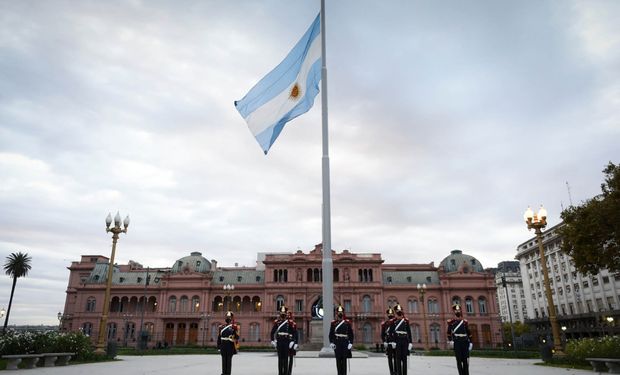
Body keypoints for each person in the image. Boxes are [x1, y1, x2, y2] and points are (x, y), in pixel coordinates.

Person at [270, 306, 299, 375]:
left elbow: (295, 333)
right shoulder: (277, 322)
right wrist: (272, 340)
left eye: (284, 314)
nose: (283, 315)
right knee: (280, 358)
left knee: (286, 358)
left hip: (287, 341)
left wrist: (293, 342)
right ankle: (280, 373)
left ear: (286, 314)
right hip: (279, 341)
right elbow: (272, 332)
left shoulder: (290, 323)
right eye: (281, 314)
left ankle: (285, 373)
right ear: (280, 314)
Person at [447, 304, 473, 375]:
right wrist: (451, 341)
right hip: (457, 342)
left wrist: (470, 342)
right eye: (456, 310)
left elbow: (469, 332)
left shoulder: (465, 322)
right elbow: (448, 333)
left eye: (458, 310)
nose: (457, 311)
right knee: (458, 360)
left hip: (465, 342)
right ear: (454, 311)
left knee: (465, 360)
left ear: (460, 311)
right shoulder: (451, 322)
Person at [329, 305, 354, 375]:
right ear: (337, 313)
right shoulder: (333, 323)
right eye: (339, 312)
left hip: (345, 343)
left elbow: (351, 334)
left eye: (341, 312)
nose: (340, 314)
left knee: (344, 361)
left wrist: (350, 343)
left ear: (343, 313)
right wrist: (331, 342)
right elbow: (331, 334)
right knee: (338, 361)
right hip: (337, 343)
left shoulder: (347, 323)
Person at [388, 304, 413, 375]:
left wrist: (410, 342)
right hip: (397, 341)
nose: (399, 315)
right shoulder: (393, 322)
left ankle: (404, 373)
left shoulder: (405, 321)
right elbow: (390, 332)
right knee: (398, 359)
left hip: (405, 341)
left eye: (400, 313)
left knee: (404, 359)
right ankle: (399, 373)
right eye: (398, 314)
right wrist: (393, 341)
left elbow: (409, 332)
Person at [217, 311, 240, 375]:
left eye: (229, 317)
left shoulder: (233, 327)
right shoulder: (221, 327)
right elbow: (219, 337)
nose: (228, 319)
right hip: (223, 345)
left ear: (231, 319)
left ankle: (228, 373)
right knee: (224, 360)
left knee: (229, 360)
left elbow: (237, 337)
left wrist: (235, 331)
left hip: (230, 345)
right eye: (227, 317)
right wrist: (219, 347)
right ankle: (224, 373)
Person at [381, 307, 396, 375]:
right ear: (387, 315)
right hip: (388, 343)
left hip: (395, 343)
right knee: (389, 358)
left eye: (391, 314)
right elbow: (382, 334)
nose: (390, 315)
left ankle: (396, 371)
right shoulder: (385, 323)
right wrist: (384, 341)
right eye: (389, 314)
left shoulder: (396, 323)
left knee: (396, 358)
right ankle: (391, 372)